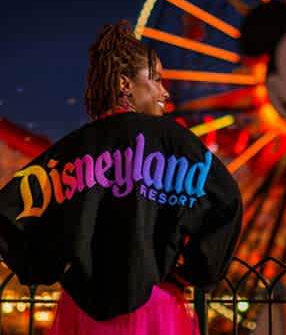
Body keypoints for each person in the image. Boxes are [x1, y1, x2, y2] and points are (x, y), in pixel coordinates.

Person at [0, 21, 243, 334]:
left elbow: (11, 211)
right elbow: (227, 201)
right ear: (124, 83)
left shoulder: (75, 148)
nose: (164, 91)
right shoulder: (176, 142)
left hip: (84, 310)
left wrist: (44, 265)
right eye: (155, 80)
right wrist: (198, 268)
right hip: (158, 304)